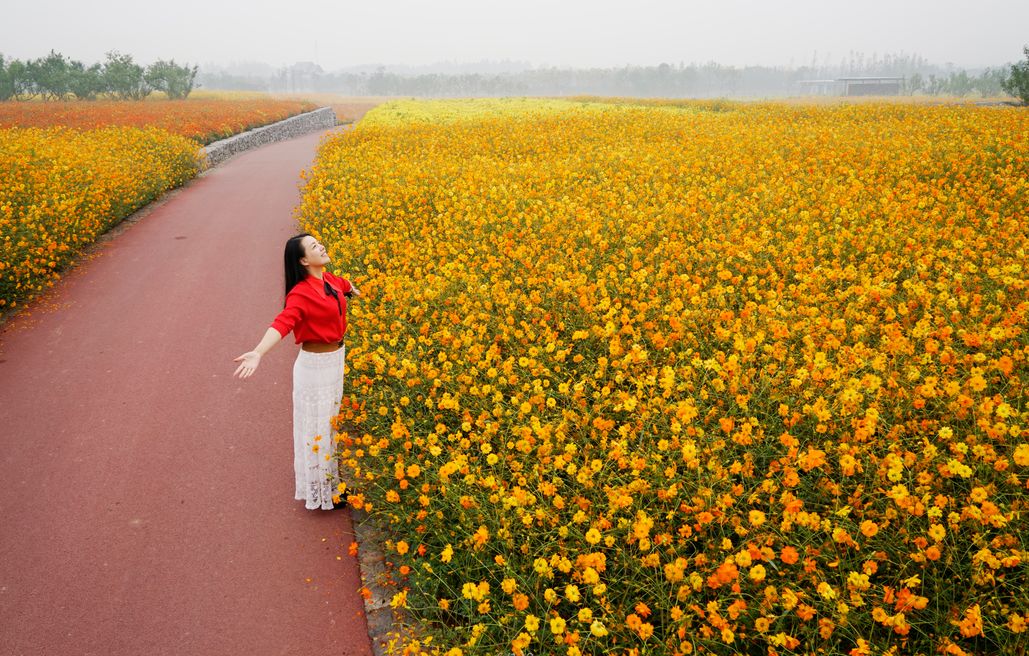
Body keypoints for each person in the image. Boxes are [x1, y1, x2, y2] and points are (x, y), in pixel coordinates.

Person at [233, 233, 361, 510]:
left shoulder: (328, 280)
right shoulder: (301, 293)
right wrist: (258, 351)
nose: (321, 246)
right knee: (317, 431)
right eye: (314, 246)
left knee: (330, 427)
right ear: (304, 260)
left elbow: (342, 285)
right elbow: (283, 322)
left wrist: (352, 288)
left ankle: (331, 484)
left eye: (319, 242)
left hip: (334, 361)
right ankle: (322, 494)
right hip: (315, 369)